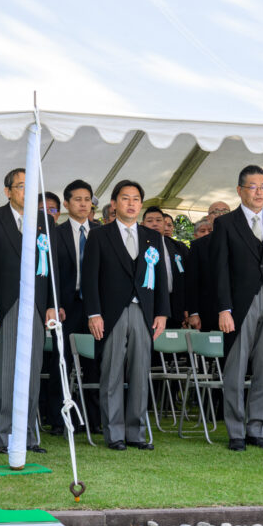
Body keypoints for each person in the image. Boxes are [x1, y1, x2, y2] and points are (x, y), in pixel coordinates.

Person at [211, 165, 263, 451]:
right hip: (238, 305)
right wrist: (224, 308)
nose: (259, 192)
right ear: (240, 190)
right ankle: (235, 432)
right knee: (234, 370)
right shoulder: (225, 223)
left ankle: (258, 430)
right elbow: (219, 270)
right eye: (253, 187)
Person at [82, 180, 168, 450]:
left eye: (135, 199)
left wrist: (162, 313)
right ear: (115, 203)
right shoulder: (99, 235)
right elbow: (89, 279)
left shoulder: (153, 236)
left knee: (141, 374)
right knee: (112, 374)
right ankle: (115, 433)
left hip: (144, 313)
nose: (131, 203)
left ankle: (136, 433)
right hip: (110, 314)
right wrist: (94, 313)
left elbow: (162, 279)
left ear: (140, 204)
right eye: (125, 198)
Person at [0, 168, 54, 457]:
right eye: (21, 186)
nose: (26, 191)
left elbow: (52, 271)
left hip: (35, 306)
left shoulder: (45, 222)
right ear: (8, 191)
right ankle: (8, 436)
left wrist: (50, 306)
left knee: (32, 372)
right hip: (5, 306)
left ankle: (29, 435)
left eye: (30, 186)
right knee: (7, 374)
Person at [48, 179, 96, 435]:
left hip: (95, 308)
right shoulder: (55, 234)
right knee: (62, 362)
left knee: (94, 363)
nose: (83, 204)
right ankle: (58, 419)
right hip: (66, 307)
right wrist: (54, 304)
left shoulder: (101, 232)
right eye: (78, 199)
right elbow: (49, 274)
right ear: (66, 204)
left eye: (87, 199)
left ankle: (93, 420)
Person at [142, 205, 187, 328]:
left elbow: (188, 278)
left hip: (174, 304)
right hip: (148, 303)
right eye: (150, 221)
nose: (155, 224)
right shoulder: (138, 246)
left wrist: (187, 308)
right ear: (142, 224)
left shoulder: (177, 247)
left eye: (159, 220)